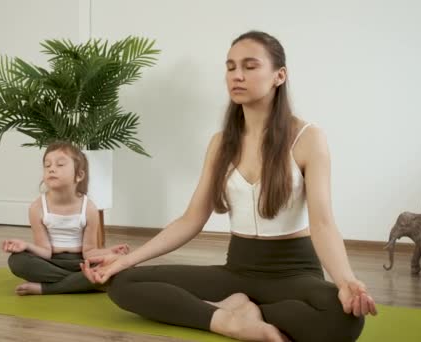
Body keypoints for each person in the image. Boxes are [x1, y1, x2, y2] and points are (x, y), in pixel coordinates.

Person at [82, 31, 378, 342]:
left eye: (250, 66)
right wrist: (126, 260)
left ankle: (241, 310)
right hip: (236, 271)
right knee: (124, 283)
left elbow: (323, 223)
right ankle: (229, 320)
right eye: (231, 67)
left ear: (279, 75)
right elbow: (191, 219)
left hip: (293, 274)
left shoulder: (307, 137)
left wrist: (346, 281)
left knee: (343, 321)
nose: (237, 75)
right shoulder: (221, 143)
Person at [3, 141, 128, 295]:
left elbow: (89, 252)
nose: (52, 169)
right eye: (47, 165)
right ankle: (88, 281)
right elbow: (45, 251)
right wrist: (25, 246)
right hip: (51, 262)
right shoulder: (37, 207)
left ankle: (47, 288)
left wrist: (109, 252)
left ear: (79, 175)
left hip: (80, 262)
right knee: (17, 261)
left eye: (60, 164)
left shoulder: (89, 208)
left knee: (122, 266)